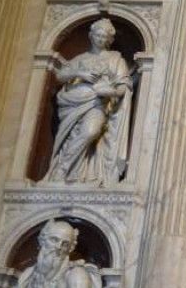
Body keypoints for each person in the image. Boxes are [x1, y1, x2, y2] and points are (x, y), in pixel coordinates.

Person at [46, 18, 133, 186]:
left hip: (97, 103)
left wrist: (109, 91)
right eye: (98, 35)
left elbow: (123, 86)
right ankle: (69, 175)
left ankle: (63, 168)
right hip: (72, 103)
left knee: (90, 132)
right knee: (74, 136)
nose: (100, 39)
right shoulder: (81, 58)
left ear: (109, 40)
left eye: (104, 36)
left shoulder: (116, 59)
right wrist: (79, 73)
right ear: (91, 36)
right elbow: (60, 75)